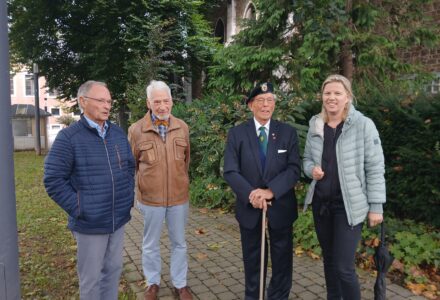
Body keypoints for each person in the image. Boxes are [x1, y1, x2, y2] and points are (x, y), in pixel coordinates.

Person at [44, 80, 135, 300]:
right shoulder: (69, 138)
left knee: (113, 271)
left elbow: (129, 167)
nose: (107, 106)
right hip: (90, 223)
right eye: (101, 100)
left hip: (118, 219)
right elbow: (53, 179)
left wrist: (126, 199)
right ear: (83, 102)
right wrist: (81, 207)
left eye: (109, 101)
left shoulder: (117, 133)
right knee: (91, 279)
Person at [303, 74, 386, 300]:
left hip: (348, 207)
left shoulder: (363, 125)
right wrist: (312, 170)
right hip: (322, 205)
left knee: (343, 267)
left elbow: (375, 167)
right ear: (322, 96)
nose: (332, 97)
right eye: (327, 93)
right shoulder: (316, 124)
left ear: (348, 97)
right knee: (329, 262)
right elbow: (307, 160)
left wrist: (376, 206)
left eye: (337, 93)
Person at [223, 82, 301, 300]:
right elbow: (230, 170)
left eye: (270, 100)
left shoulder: (287, 133)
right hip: (250, 209)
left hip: (281, 208)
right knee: (253, 261)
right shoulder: (237, 134)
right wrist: (252, 195)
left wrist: (270, 191)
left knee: (282, 262)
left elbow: (294, 169)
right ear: (250, 105)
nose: (266, 105)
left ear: (274, 104)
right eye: (260, 101)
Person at [128, 80, 192, 300]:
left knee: (179, 243)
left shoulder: (182, 127)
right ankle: (152, 283)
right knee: (150, 244)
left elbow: (186, 161)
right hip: (150, 199)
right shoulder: (136, 130)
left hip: (178, 198)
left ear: (172, 102)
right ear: (149, 103)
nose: (162, 106)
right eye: (157, 101)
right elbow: (133, 165)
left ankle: (180, 284)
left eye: (166, 101)